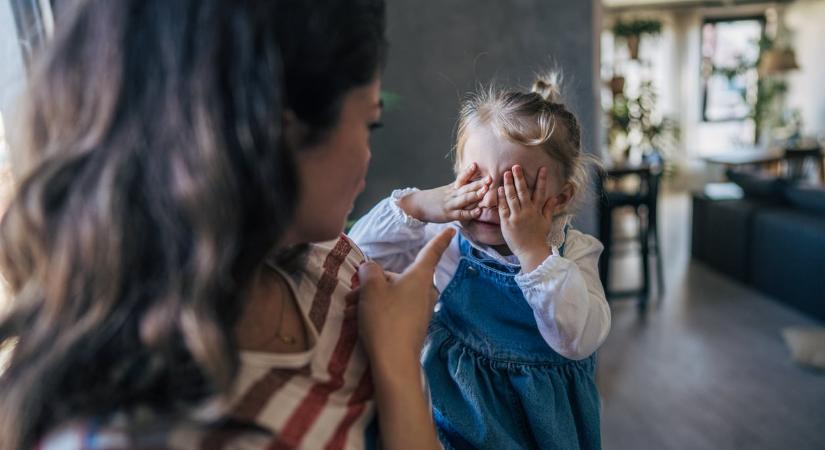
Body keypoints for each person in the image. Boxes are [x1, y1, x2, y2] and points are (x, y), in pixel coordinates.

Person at [0, 0, 446, 449]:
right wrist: (398, 365)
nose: (368, 151)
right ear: (276, 132)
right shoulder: (143, 436)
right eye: (370, 122)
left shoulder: (312, 248)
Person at [350, 74, 612, 449]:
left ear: (562, 196)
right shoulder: (450, 238)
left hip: (538, 430)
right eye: (477, 180)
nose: (489, 201)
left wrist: (533, 253)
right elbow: (359, 254)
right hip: (452, 419)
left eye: (513, 188)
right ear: (457, 176)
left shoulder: (575, 253)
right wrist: (418, 205)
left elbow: (577, 340)